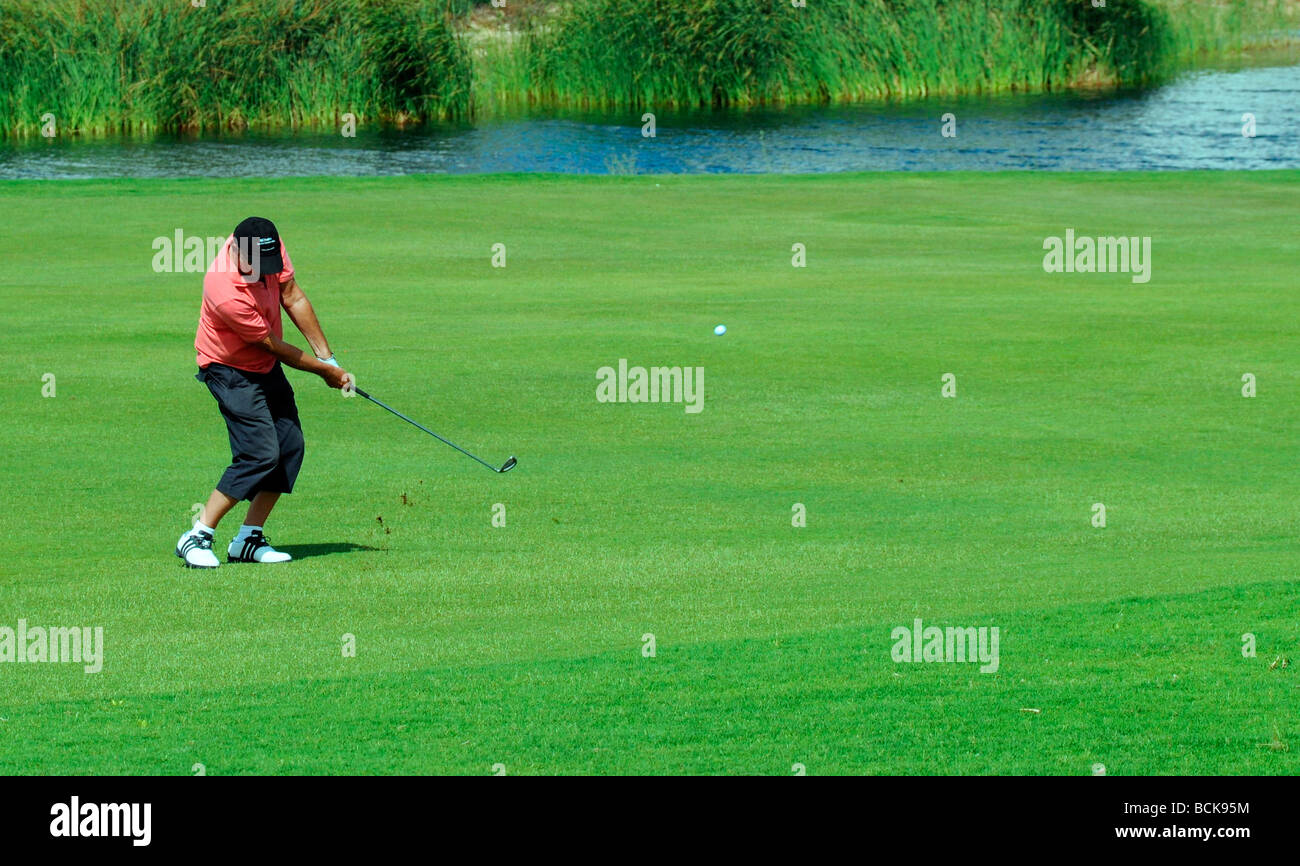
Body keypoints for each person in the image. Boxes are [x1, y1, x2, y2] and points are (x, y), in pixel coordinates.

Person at [175, 217, 353, 568]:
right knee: (258, 453)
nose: (263, 273)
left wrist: (327, 357)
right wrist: (325, 373)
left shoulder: (265, 242)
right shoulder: (223, 287)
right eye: (256, 267)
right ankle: (197, 535)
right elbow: (271, 345)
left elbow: (292, 295)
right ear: (238, 253)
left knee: (289, 447)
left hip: (263, 366)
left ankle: (248, 539)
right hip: (228, 369)